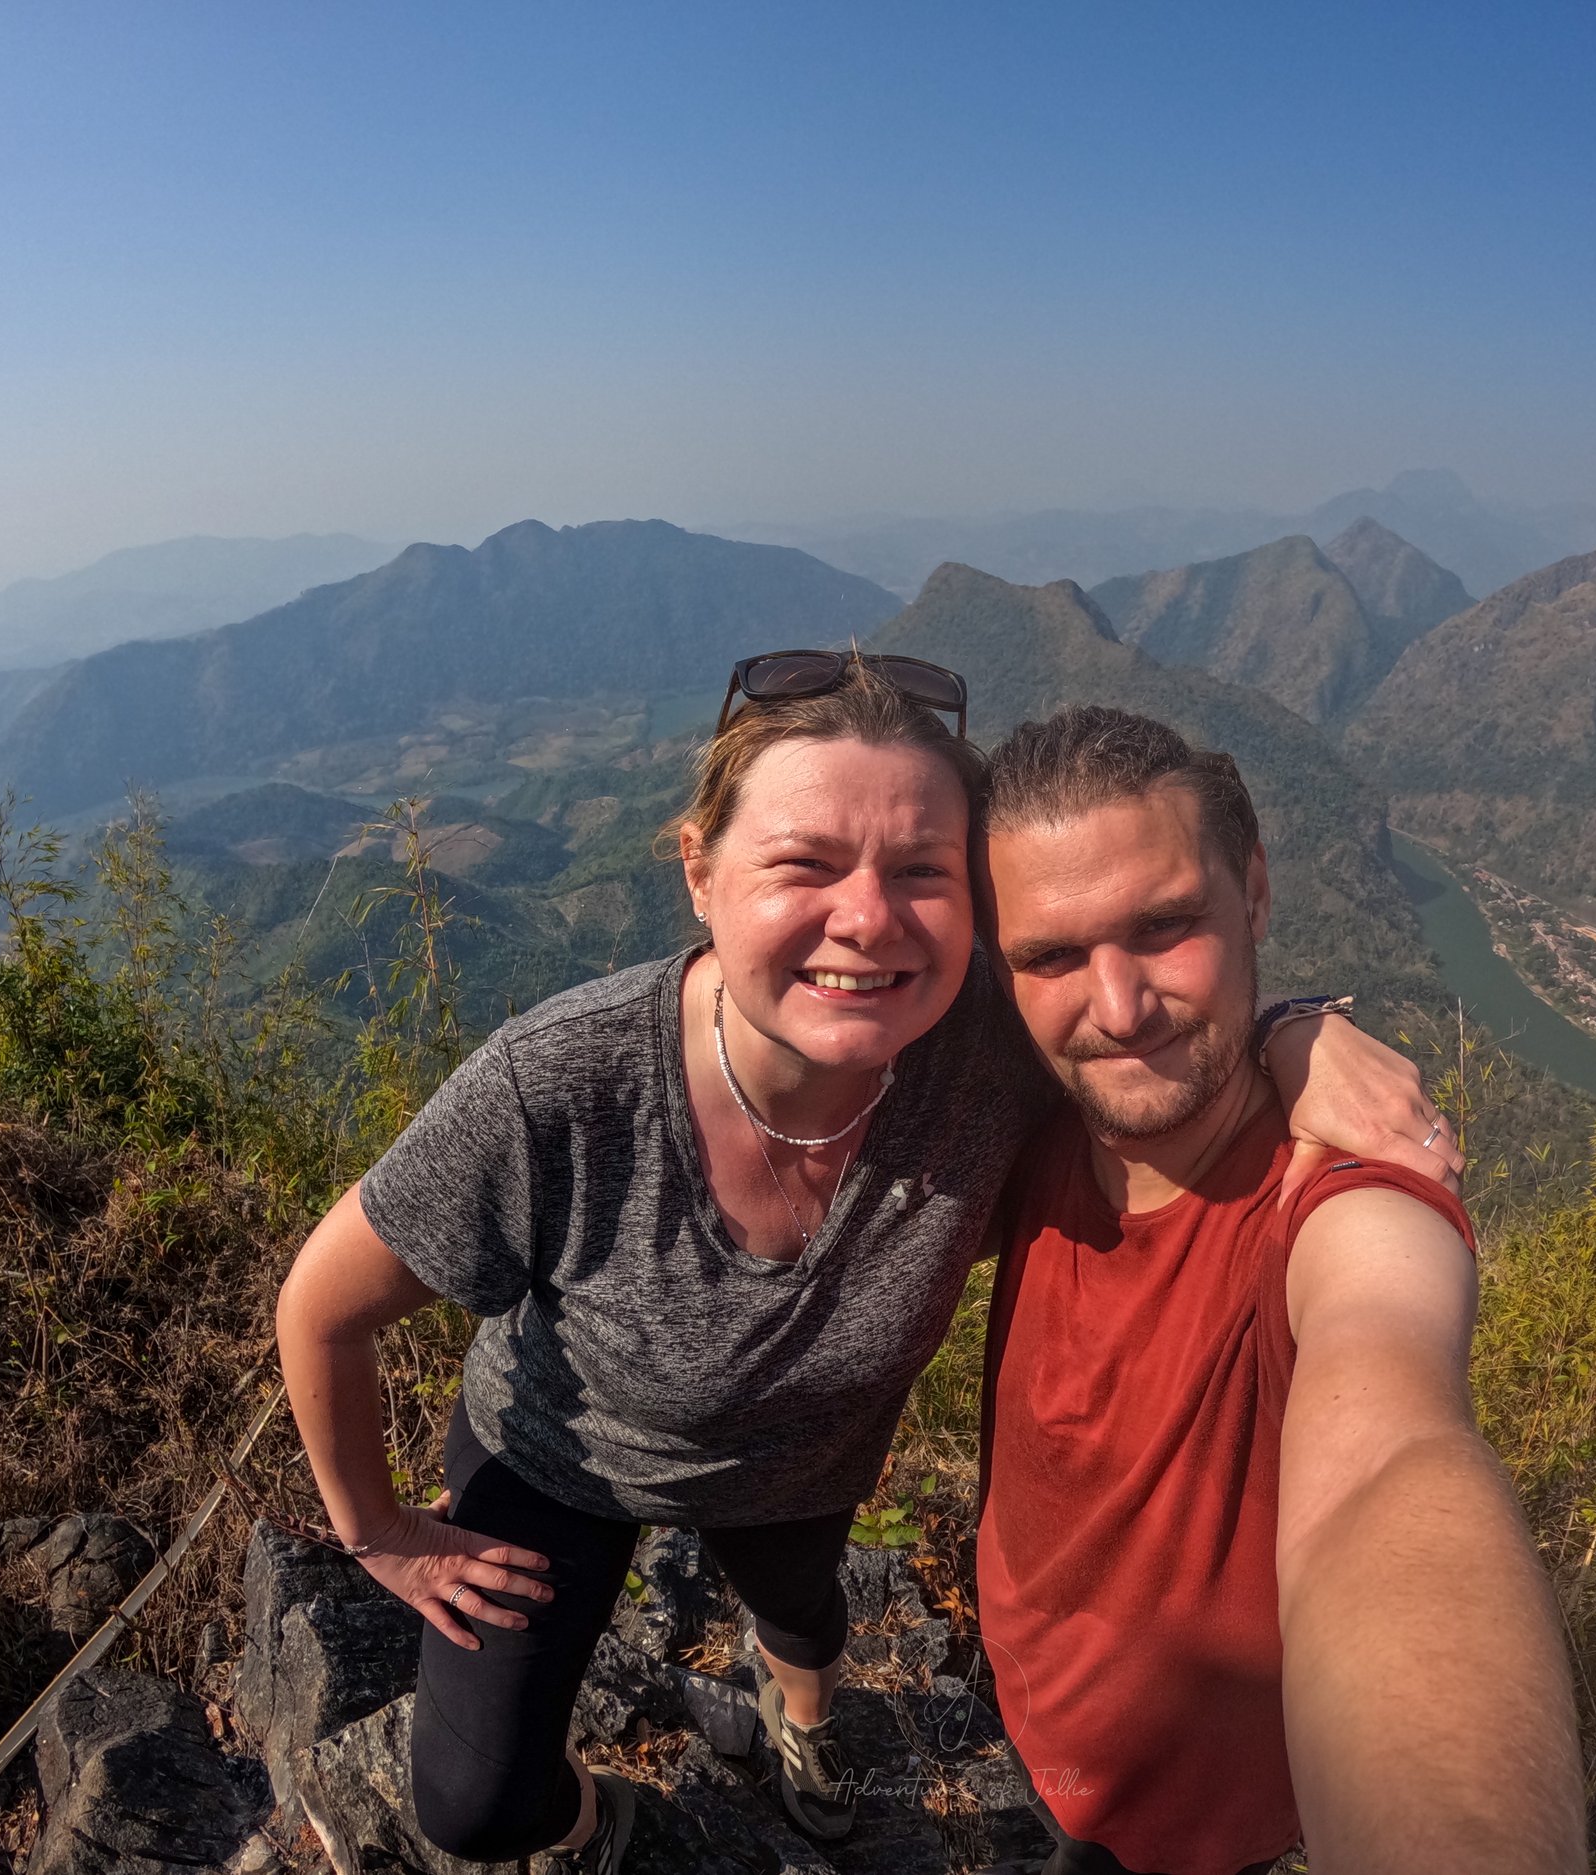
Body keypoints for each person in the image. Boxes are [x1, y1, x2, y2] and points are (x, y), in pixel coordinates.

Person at [274, 652, 1462, 1873]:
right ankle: (603, 1820)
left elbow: (1140, 1014)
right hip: (557, 1454)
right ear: (699, 871)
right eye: (804, 864)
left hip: (797, 1471)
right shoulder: (561, 1085)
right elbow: (321, 1306)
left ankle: (802, 1726)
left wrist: (1291, 1032)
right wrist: (380, 1534)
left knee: (804, 1623)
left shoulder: (985, 1045)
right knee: (472, 1808)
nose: (868, 921)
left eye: (921, 873)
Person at [974, 705, 1587, 1875]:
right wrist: (1287, 1025)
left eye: (1164, 927)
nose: (1117, 1008)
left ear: (1252, 894)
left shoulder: (1341, 1197)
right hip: (1028, 1708)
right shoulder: (1029, 1121)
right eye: (1050, 957)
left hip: (1194, 1828)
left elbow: (1388, 1467)